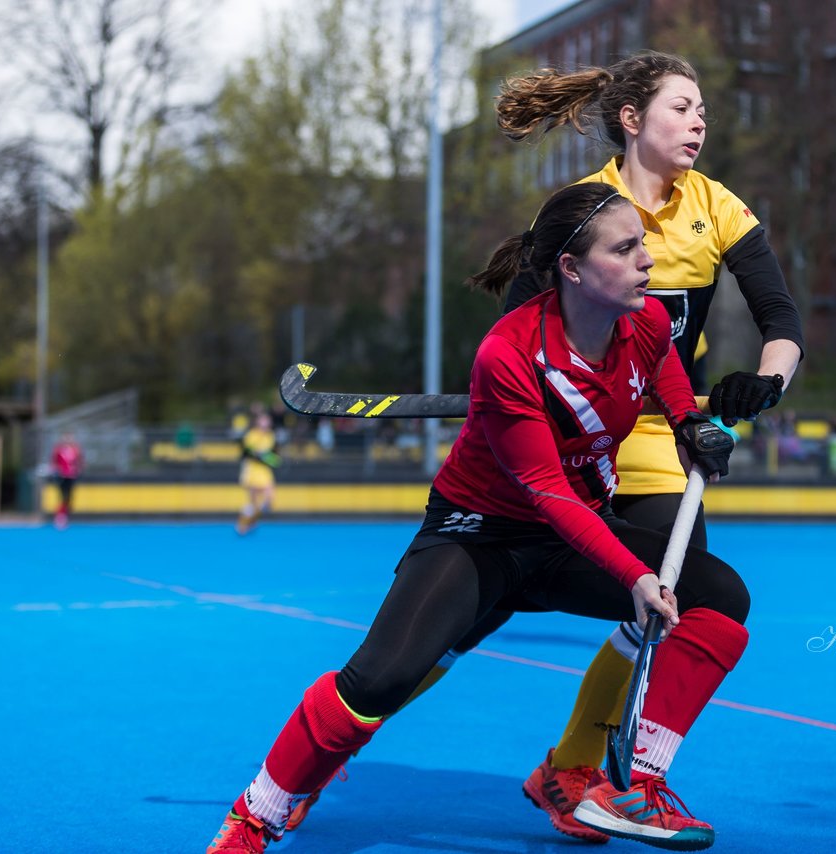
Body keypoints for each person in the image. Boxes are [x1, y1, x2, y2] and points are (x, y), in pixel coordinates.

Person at [287, 51, 804, 843]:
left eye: (704, 109)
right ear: (632, 121)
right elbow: (525, 339)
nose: (700, 122)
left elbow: (781, 321)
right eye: (682, 108)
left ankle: (574, 767)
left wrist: (760, 387)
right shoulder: (582, 210)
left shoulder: (720, 209)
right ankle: (335, 744)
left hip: (662, 434)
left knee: (665, 603)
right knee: (456, 630)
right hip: (570, 451)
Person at [208, 183, 749, 853]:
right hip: (480, 533)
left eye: (644, 244)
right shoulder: (510, 356)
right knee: (377, 683)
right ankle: (256, 816)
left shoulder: (644, 322)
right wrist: (636, 575)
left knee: (720, 597)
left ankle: (633, 785)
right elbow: (546, 492)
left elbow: (662, 362)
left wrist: (688, 423)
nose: (648, 262)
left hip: (567, 535)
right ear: (573, 270)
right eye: (627, 247)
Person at [236, 412, 280, 535]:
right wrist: (263, 457)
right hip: (252, 469)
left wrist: (272, 459)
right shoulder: (251, 435)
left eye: (267, 421)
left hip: (264, 469)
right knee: (254, 503)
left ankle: (249, 521)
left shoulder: (270, 436)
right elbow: (249, 452)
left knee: (269, 496)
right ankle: (244, 524)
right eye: (263, 421)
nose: (266, 423)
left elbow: (270, 453)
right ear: (258, 422)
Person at [49, 433, 84, 530]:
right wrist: (56, 470)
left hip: (71, 476)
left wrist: (77, 469)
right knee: (62, 496)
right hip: (61, 476)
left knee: (69, 497)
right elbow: (54, 462)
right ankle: (60, 517)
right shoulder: (58, 450)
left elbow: (79, 462)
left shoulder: (75, 450)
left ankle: (66, 516)